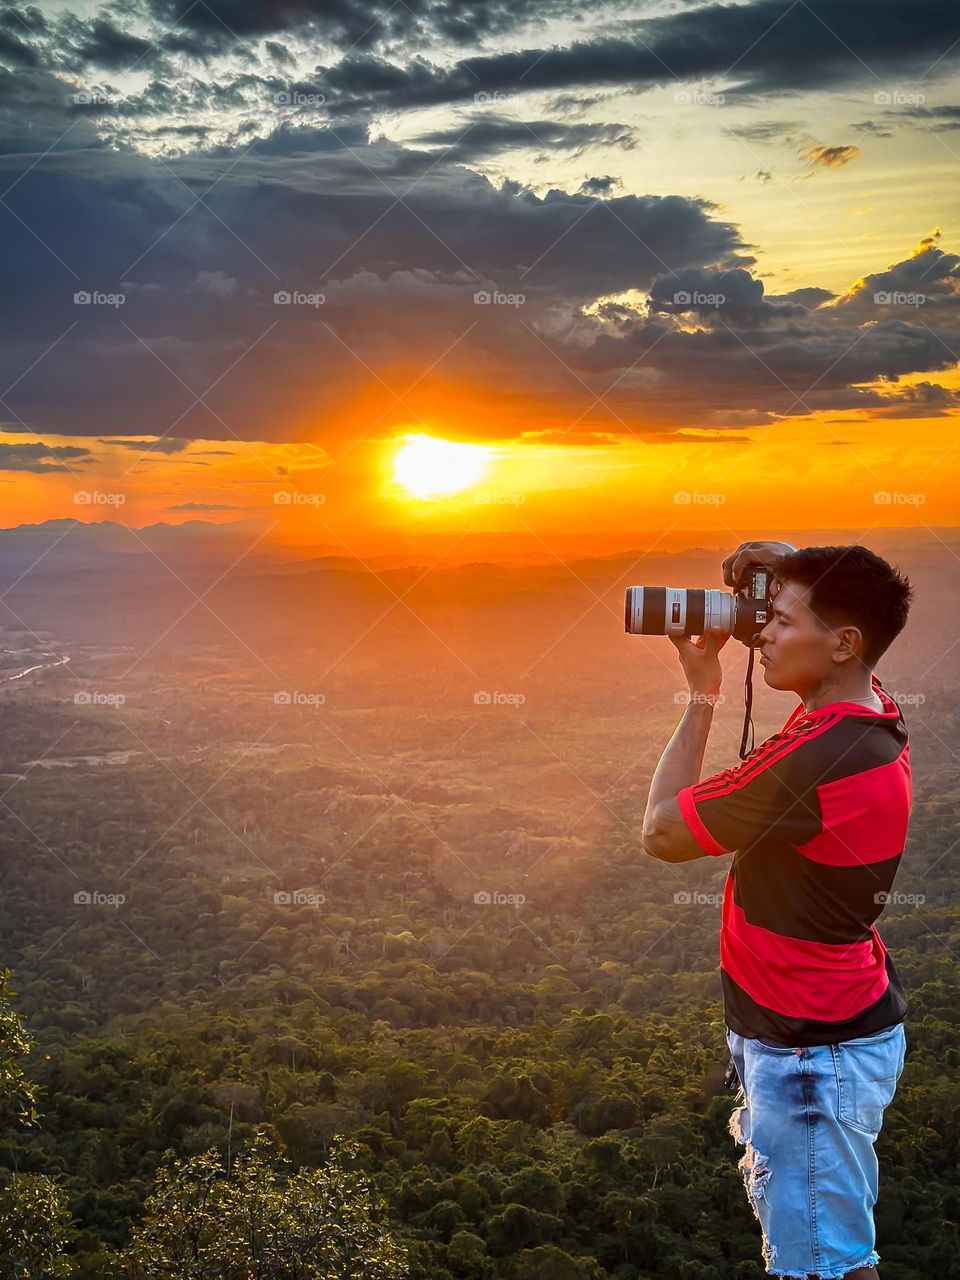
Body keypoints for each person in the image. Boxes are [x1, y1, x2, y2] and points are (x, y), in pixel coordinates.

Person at [641, 542, 914, 1280]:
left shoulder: (817, 758)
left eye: (780, 620)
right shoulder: (869, 715)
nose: (759, 631)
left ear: (843, 643)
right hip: (824, 1030)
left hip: (809, 1053)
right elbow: (853, 615)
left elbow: (662, 830)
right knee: (831, 1247)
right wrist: (793, 564)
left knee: (822, 1265)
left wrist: (702, 691)